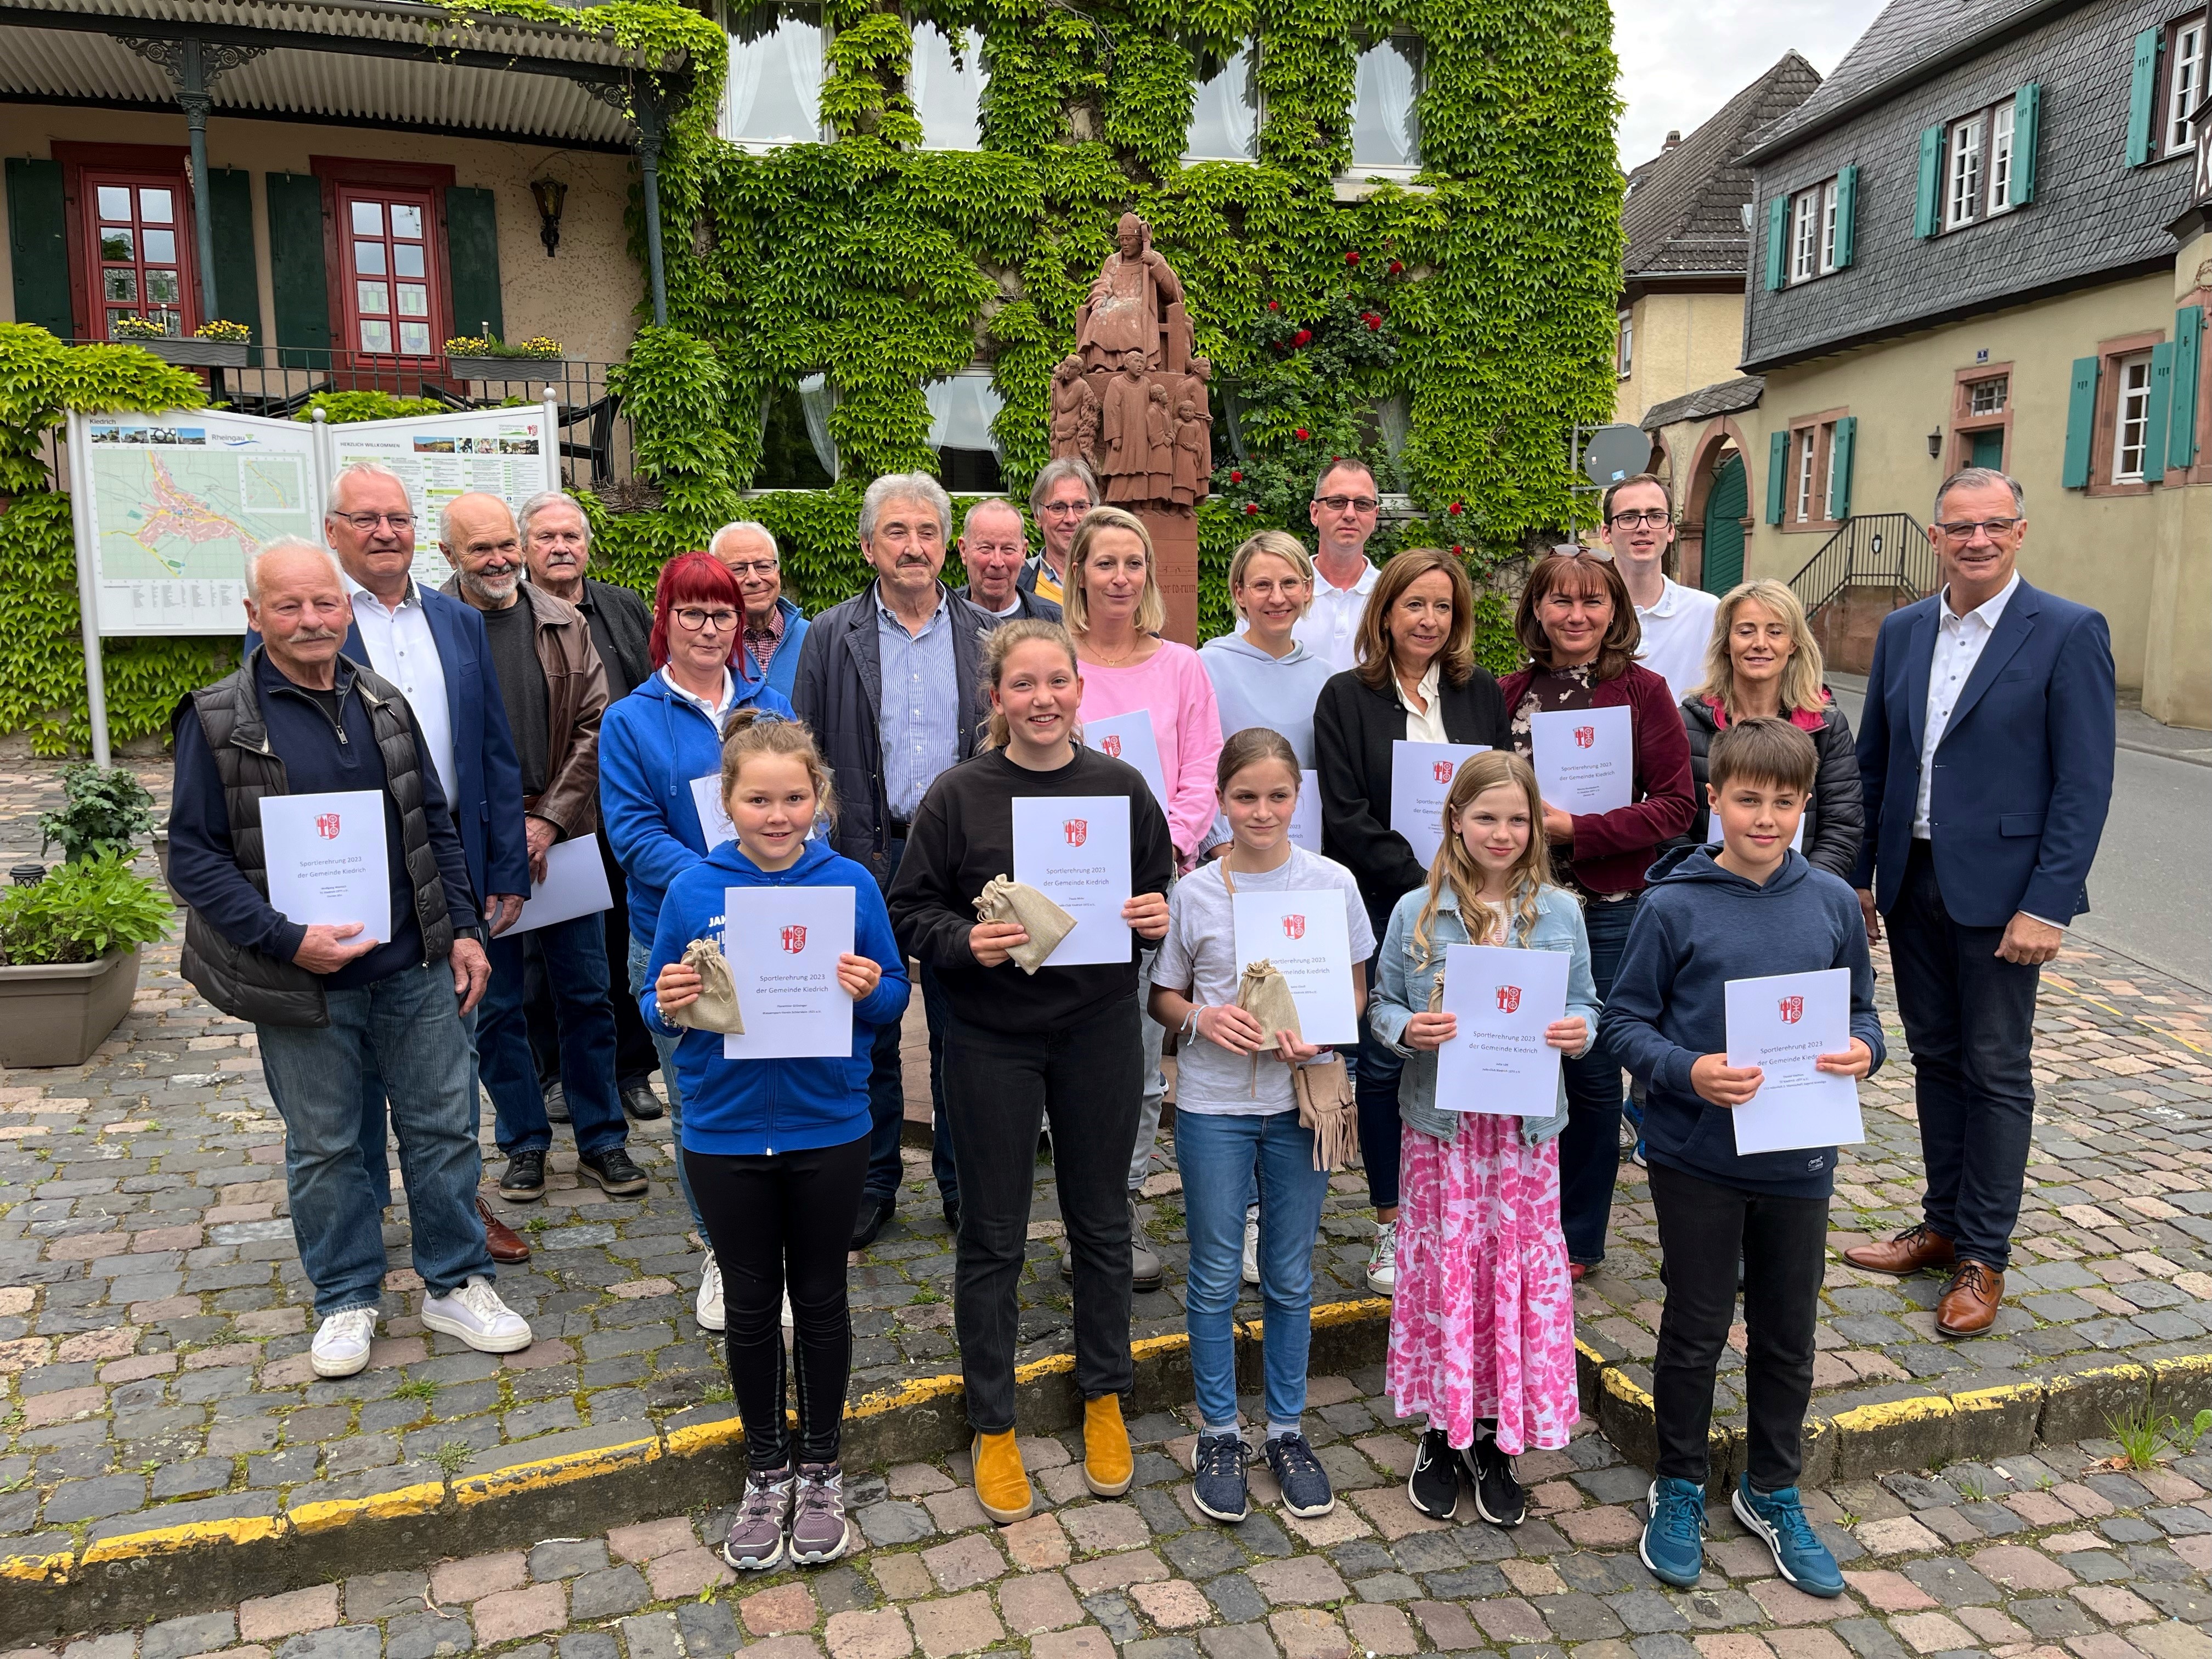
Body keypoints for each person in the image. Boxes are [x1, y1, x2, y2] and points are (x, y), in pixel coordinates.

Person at [169, 539, 531, 1377]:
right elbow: (193, 856)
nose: (310, 622)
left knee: (443, 1130)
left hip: (412, 968)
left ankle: (454, 1280)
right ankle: (345, 1297)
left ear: (345, 609)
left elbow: (432, 823)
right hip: (301, 981)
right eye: (288, 607)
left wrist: (466, 931)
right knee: (327, 1144)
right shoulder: (219, 718)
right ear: (254, 616)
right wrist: (287, 938)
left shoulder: (383, 701)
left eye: (323, 604)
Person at [887, 619, 1175, 1527]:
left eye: (1058, 681)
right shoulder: (958, 794)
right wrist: (963, 942)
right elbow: (909, 911)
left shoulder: (1121, 787)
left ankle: (1102, 1394)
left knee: (1101, 1221)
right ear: (995, 697)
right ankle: (994, 1416)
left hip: (1095, 1031)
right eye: (1024, 684)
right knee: (994, 1231)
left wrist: (1151, 915)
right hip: (989, 1037)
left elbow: (1153, 892)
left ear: (1080, 690)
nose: (1043, 698)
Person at [1602, 719, 1882, 1596]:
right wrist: (1689, 1070)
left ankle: (1772, 1486)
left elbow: (1866, 1017)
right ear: (1715, 798)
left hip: (1798, 1158)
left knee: (1789, 1331)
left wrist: (1864, 1054)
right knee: (1694, 1328)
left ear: (1805, 805)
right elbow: (1622, 1024)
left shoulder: (1833, 903)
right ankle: (1680, 1482)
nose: (1766, 818)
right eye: (1748, 799)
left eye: (1784, 802)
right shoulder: (1674, 904)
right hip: (1697, 1155)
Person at [1843, 468, 2115, 1338]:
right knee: (1936, 1060)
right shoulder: (1902, 630)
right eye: (1960, 527)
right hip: (1912, 878)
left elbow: (2084, 783)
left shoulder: (2067, 631)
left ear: (2021, 532)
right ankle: (1940, 1223)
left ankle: (1982, 1256)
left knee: (1997, 1072)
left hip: (2003, 898)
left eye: (1994, 525)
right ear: (1936, 539)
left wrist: (2049, 903)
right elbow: (1873, 765)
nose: (1978, 540)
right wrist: (1857, 875)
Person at [645, 711, 909, 1573]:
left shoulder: (852, 887)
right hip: (723, 1131)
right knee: (754, 1307)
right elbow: (656, 1003)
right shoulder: (692, 889)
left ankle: (823, 1467)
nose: (777, 814)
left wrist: (869, 989)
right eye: (758, 798)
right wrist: (672, 996)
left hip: (829, 1126)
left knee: (823, 1300)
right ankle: (765, 1469)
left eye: (794, 797)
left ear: (818, 797)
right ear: (728, 802)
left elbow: (893, 998)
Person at [1148, 731, 1372, 1525]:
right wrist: (1205, 1018)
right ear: (1221, 801)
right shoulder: (1196, 893)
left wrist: (1325, 1028)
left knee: (1289, 1274)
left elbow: (1353, 993)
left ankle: (1285, 1428)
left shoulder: (1332, 884)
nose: (1263, 811)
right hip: (1213, 1103)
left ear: (1297, 800)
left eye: (1278, 796)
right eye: (1246, 797)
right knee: (1212, 1275)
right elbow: (1164, 997)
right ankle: (1218, 1431)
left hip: (1299, 1102)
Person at [312, 462, 531, 1261]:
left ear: (418, 532)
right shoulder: (316, 621)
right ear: (334, 532)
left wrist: (504, 866)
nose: (384, 532)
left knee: (456, 1048)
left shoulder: (458, 621)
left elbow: (492, 754)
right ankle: (363, 1212)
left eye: (397, 518)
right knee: (356, 1053)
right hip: (353, 870)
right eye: (365, 519)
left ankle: (460, 1205)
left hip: (456, 866)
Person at [1371, 752, 1595, 1528]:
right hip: (1443, 1130)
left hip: (1525, 1133)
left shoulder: (1560, 912)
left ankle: (1497, 1435)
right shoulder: (1415, 910)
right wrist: (1408, 1027)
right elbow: (1383, 1009)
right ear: (1456, 823)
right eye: (1486, 818)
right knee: (1448, 1271)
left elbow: (1588, 1006)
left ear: (1535, 826)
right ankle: (1442, 1426)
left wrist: (1578, 1032)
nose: (1502, 833)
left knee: (1512, 1270)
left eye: (1517, 819)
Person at [791, 473, 993, 1247]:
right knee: (868, 1024)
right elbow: (808, 747)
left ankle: (957, 1181)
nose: (914, 547)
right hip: (860, 852)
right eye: (897, 532)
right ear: (869, 543)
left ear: (948, 544)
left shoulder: (982, 634)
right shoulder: (831, 635)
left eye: (928, 532)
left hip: (957, 858)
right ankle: (873, 1182)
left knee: (961, 1027)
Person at [601, 554, 796, 1334]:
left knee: (774, 1089)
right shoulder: (631, 720)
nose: (710, 628)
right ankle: (727, 1252)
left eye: (723, 614)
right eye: (693, 613)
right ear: (666, 621)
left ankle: (779, 1240)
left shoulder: (769, 701)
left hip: (775, 934)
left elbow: (802, 803)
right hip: (682, 942)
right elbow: (633, 834)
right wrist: (721, 880)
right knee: (702, 1104)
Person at [437, 493, 646, 1205]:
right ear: (449, 558)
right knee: (495, 1005)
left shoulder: (564, 621)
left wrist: (549, 822)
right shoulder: (435, 630)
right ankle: (524, 1142)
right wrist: (503, 833)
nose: (497, 560)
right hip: (477, 846)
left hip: (566, 838)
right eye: (479, 550)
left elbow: (597, 724)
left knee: (587, 993)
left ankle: (602, 1139)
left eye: (504, 546)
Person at [1314, 548, 1511, 1295]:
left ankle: (1465, 1207)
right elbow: (1344, 812)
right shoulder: (1345, 697)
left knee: (1465, 1049)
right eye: (1414, 605)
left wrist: (1470, 881)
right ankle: (1394, 1220)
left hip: (1477, 905)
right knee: (1387, 1055)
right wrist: (1423, 881)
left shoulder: (1479, 694)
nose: (1428, 620)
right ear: (1385, 613)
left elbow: (1497, 794)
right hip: (1382, 903)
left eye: (1442, 607)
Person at [1499, 550, 1695, 1278]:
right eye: (1561, 602)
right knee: (1518, 1063)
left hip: (1611, 911)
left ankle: (1577, 1238)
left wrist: (1578, 832)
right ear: (1538, 611)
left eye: (1592, 602)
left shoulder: (1644, 692)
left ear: (1615, 611)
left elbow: (1678, 806)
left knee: (1589, 1071)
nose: (1576, 616)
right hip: (1520, 909)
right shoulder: (1509, 693)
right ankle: (1516, 1216)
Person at [1064, 506, 1224, 1290]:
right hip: (1065, 887)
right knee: (1070, 1057)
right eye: (1105, 563)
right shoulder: (1058, 662)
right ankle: (1078, 1210)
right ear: (1079, 573)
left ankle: (1118, 1209)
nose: (1121, 577)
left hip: (1151, 889)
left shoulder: (1184, 667)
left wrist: (1163, 850)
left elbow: (1201, 772)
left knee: (1136, 1057)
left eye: (1134, 563)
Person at [516, 490, 664, 1125]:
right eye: (546, 537)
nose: (560, 547)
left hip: (623, 808)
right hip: (555, 814)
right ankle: (554, 1073)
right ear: (526, 549)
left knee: (623, 939)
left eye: (571, 537)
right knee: (545, 959)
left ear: (587, 545)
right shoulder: (511, 615)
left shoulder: (622, 607)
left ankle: (630, 1069)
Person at [1679, 579, 1863, 881]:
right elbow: (1672, 822)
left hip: (1798, 899)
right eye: (1746, 630)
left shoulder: (1827, 726)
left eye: (1775, 632)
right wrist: (1702, 888)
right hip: (1704, 893)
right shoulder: (1686, 724)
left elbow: (1843, 826)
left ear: (1793, 644)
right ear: (1726, 642)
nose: (1760, 643)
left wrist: (1802, 892)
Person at [1238, 460, 1381, 673]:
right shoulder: (1278, 595)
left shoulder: (1390, 593)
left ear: (1375, 515)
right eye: (1337, 502)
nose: (1350, 514)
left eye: (1362, 504)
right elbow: (1247, 666)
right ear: (1315, 513)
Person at [1603, 473, 1720, 703]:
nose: (1644, 527)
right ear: (1607, 533)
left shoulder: (1707, 612)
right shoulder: (1584, 613)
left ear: (1670, 531)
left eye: (1656, 516)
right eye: (1629, 517)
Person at [710, 521, 809, 704]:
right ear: (717, 580)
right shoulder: (703, 644)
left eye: (763, 566)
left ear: (778, 572)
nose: (754, 579)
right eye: (738, 569)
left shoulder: (814, 639)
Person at [957, 498, 1062, 622]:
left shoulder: (1054, 621)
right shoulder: (943, 617)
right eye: (986, 548)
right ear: (964, 550)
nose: (997, 562)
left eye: (1008, 549)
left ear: (1023, 552)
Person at [1019, 457, 1097, 605]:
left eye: (1080, 507)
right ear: (1038, 517)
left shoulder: (1116, 581)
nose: (1071, 519)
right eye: (1058, 508)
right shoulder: (1016, 583)